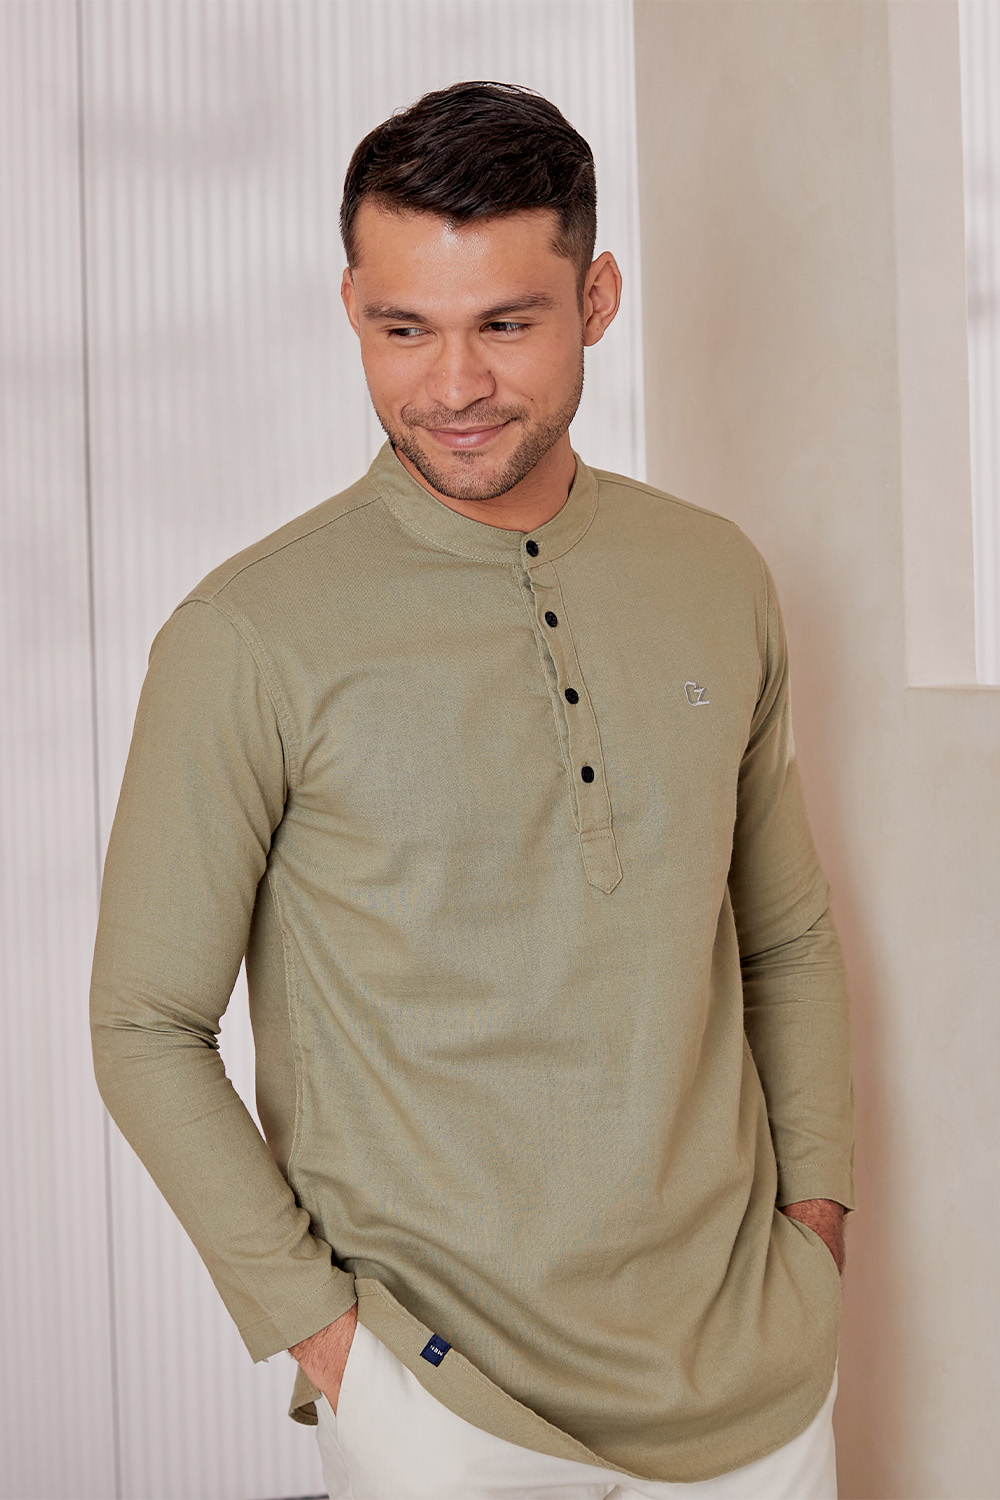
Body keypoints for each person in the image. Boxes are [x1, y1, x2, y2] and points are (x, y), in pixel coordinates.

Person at [90, 81, 854, 1500]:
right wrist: (332, 1345)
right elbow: (145, 1024)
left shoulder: (715, 576)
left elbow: (786, 932)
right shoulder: (248, 634)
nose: (451, 387)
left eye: (505, 324)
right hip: (446, 1406)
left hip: (754, 1382)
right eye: (403, 329)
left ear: (596, 299)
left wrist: (815, 1225)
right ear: (350, 308)